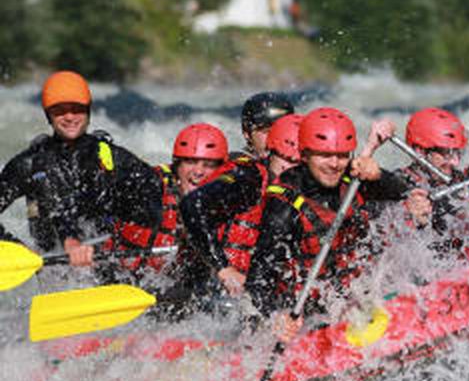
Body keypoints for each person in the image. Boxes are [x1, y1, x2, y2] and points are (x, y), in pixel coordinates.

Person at [244, 107, 430, 336]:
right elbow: (257, 278)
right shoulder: (284, 204)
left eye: (342, 155)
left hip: (355, 292)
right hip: (309, 311)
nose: (334, 164)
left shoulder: (353, 176)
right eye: (324, 155)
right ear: (304, 154)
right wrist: (276, 315)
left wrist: (381, 177)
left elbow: (410, 192)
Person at [0, 70, 162, 266]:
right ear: (48, 115)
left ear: (88, 111)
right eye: (60, 110)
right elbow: (57, 208)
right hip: (53, 267)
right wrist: (18, 249)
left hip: (105, 262)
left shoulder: (111, 157)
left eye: (77, 109)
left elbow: (154, 191)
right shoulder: (26, 165)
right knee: (44, 184)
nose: (69, 117)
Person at [180, 113, 303, 296]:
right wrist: (223, 269)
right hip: (219, 293)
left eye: (298, 163)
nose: (291, 169)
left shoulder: (312, 187)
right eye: (286, 160)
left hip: (268, 295)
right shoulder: (249, 177)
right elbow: (192, 205)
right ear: (271, 151)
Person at [111, 123, 229, 273]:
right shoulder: (148, 187)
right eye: (190, 162)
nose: (198, 172)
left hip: (178, 289)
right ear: (177, 165)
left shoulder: (230, 201)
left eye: (209, 165)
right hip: (120, 278)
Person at [239, 92, 294, 159]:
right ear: (247, 133)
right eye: (267, 131)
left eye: (282, 131)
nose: (275, 140)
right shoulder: (236, 167)